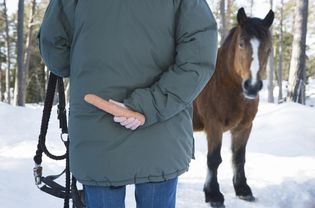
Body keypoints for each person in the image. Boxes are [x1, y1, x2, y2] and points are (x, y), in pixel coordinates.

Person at [38, 0, 218, 207]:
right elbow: (198, 59)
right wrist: (150, 105)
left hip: (97, 134)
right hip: (162, 134)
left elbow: (55, 54)